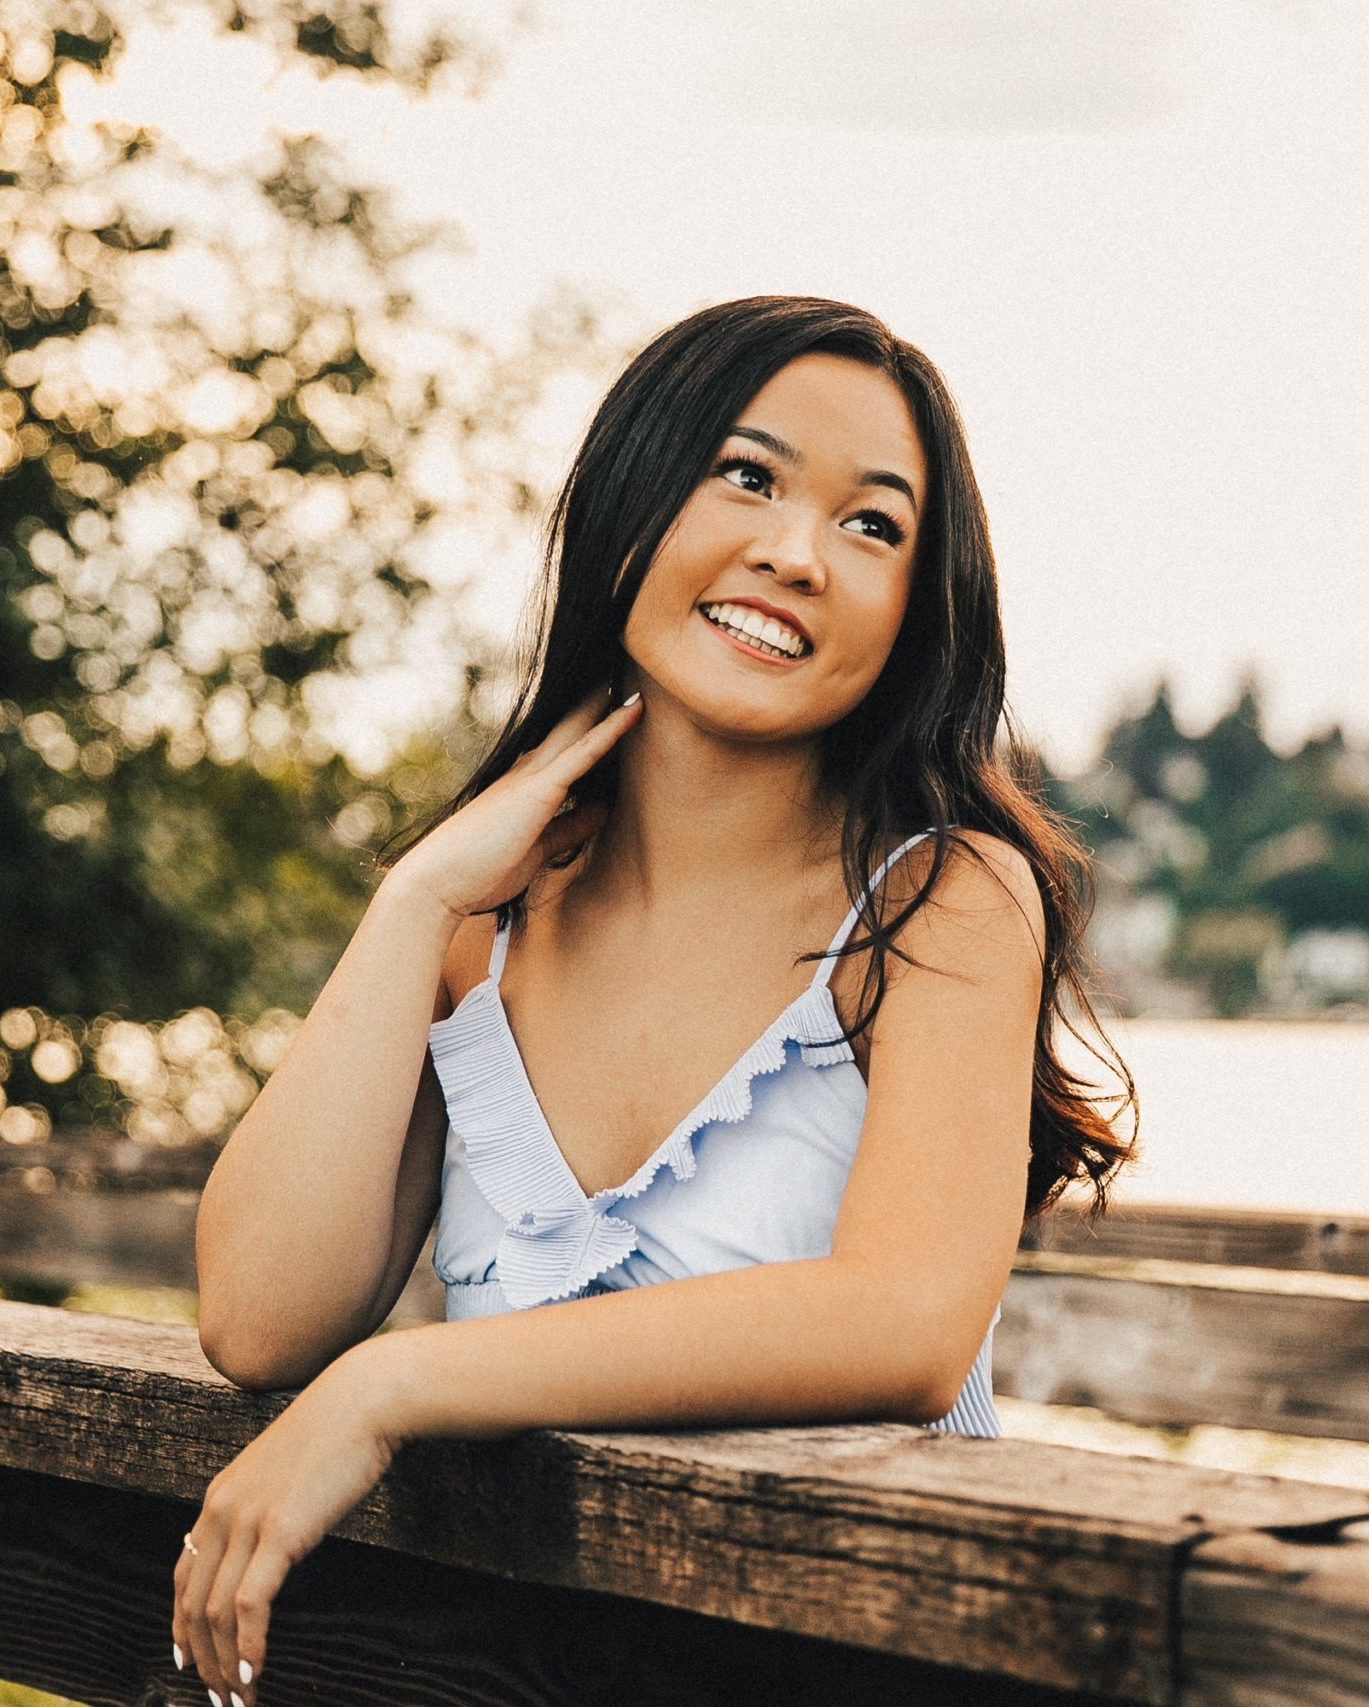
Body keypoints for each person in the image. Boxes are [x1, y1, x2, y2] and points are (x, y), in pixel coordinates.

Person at [172, 295, 1137, 1703]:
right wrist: (414, 905)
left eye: (872, 525)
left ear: (917, 607)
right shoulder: (481, 934)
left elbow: (906, 1326)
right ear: (628, 499)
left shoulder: (944, 901)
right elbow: (261, 1317)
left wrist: (392, 1387)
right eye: (743, 476)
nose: (795, 554)